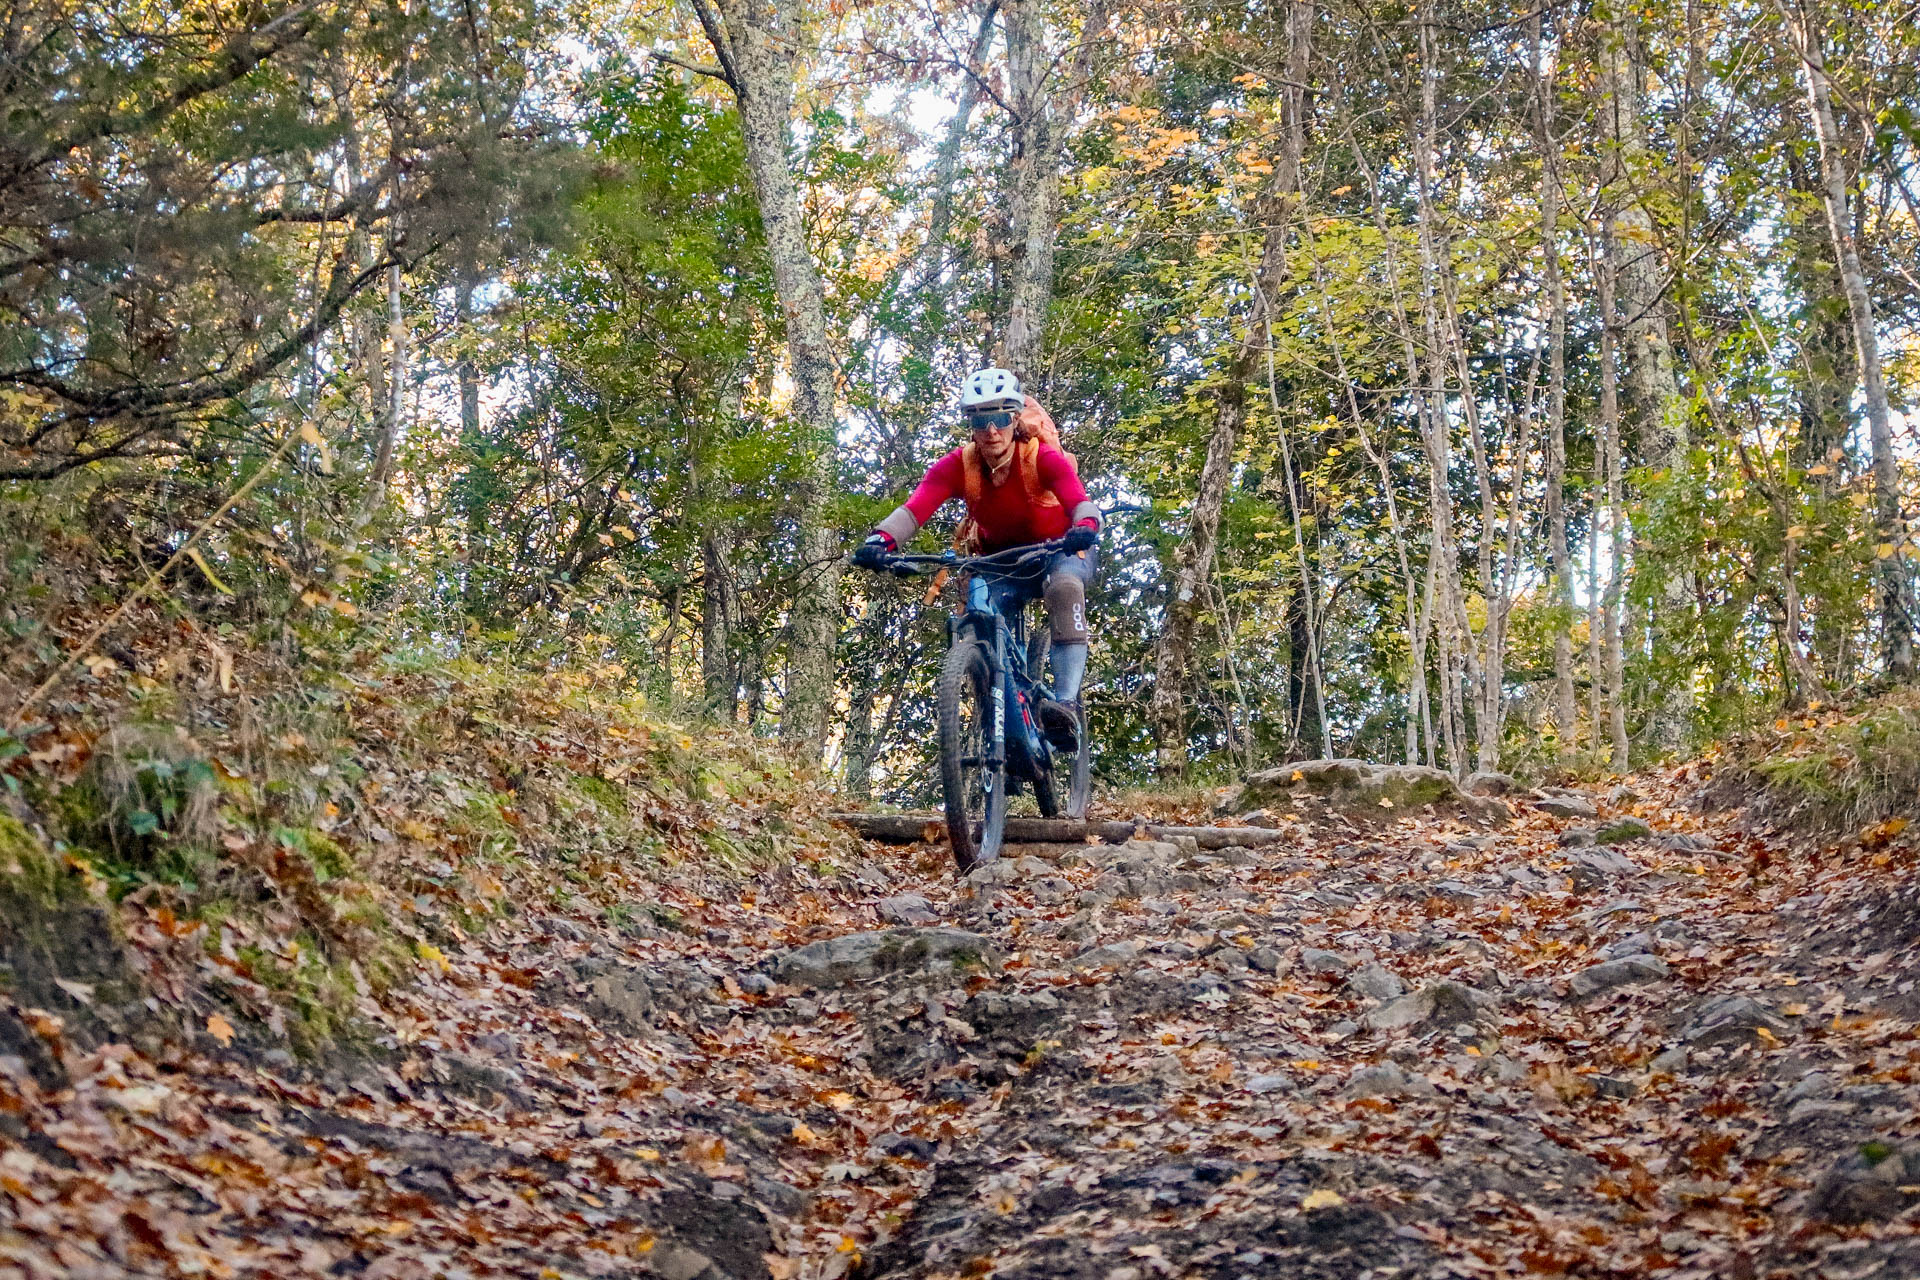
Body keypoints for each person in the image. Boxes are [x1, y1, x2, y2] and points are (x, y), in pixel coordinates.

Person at [853, 367, 1101, 747]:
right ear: (971, 423)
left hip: (1059, 551)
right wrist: (880, 541)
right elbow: (916, 508)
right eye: (982, 419)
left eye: (1001, 418)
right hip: (1001, 560)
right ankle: (1007, 734)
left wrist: (1084, 527)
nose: (991, 431)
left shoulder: (1041, 458)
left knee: (1065, 588)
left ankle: (1065, 705)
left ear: (1014, 419)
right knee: (981, 615)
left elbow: (1080, 502)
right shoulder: (960, 465)